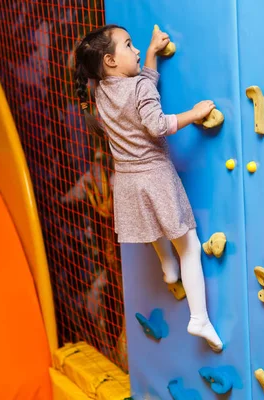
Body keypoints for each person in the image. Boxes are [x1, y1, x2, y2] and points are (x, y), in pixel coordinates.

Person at [74, 24, 223, 352]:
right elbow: (156, 122)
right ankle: (199, 318)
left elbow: (142, 88)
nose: (137, 50)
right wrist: (195, 114)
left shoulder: (101, 91)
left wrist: (154, 52)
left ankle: (169, 270)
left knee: (155, 228)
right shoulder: (138, 88)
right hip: (154, 176)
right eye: (129, 45)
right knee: (190, 246)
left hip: (127, 181)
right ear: (111, 61)